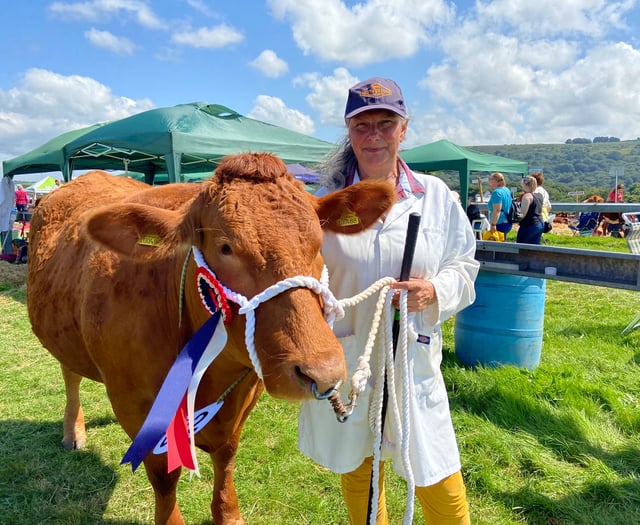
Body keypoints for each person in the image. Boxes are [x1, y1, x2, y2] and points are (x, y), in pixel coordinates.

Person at [298, 77, 479, 525]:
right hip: (351, 352)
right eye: (363, 125)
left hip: (410, 356)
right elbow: (301, 269)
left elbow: (464, 263)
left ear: (403, 129)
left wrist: (435, 291)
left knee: (437, 471)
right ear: (349, 130)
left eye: (385, 123)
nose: (374, 134)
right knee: (360, 466)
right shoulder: (322, 201)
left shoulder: (434, 197)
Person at [516, 176, 544, 244]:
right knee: (535, 247)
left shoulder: (527, 196)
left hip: (529, 224)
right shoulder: (539, 195)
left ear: (525, 184)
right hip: (540, 223)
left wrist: (515, 219)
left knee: (521, 246)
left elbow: (523, 213)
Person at [487, 172, 512, 240]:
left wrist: (493, 224)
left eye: (490, 180)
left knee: (496, 245)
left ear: (495, 181)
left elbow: (497, 210)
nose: (489, 183)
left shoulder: (497, 192)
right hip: (507, 220)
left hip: (499, 222)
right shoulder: (507, 190)